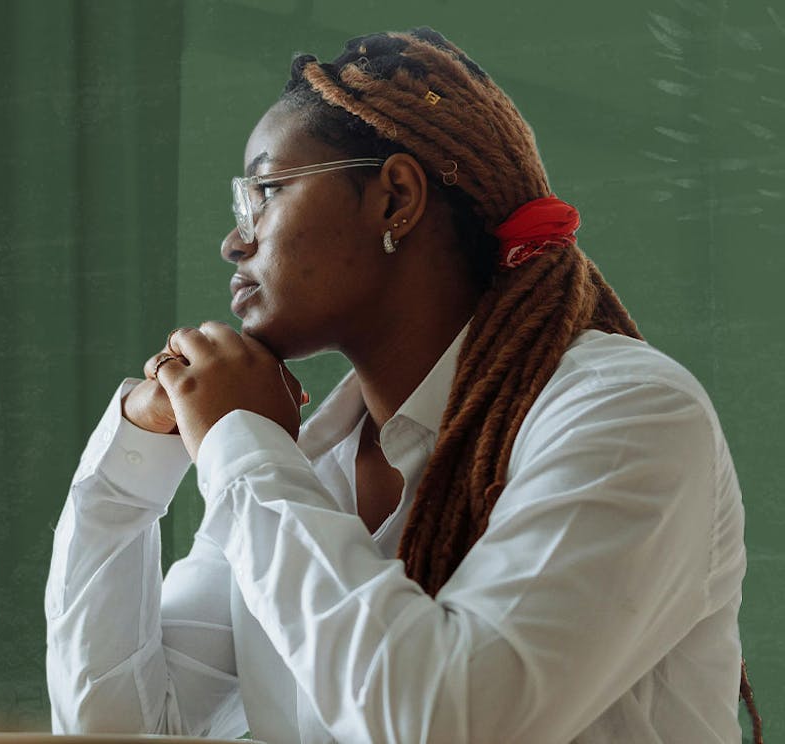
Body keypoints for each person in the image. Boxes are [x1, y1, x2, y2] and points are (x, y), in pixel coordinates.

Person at [44, 27, 759, 744]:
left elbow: (445, 720)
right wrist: (131, 467)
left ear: (395, 200)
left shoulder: (626, 416)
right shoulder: (302, 466)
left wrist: (241, 447)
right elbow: (124, 727)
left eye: (264, 191)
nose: (235, 241)